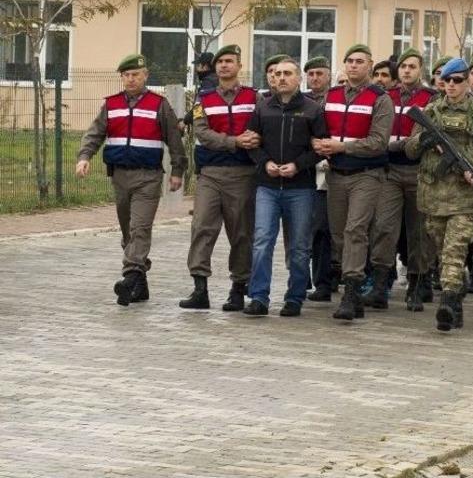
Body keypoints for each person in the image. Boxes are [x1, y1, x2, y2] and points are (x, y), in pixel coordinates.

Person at [76, 53, 187, 306]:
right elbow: (95, 133)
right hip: (120, 176)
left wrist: (178, 171)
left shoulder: (159, 104)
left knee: (140, 228)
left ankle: (128, 277)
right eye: (126, 75)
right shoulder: (111, 105)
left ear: (145, 75)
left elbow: (174, 140)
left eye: (135, 74)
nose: (131, 79)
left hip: (148, 176)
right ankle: (140, 283)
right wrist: (84, 157)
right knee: (128, 232)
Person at [405, 58, 473, 332]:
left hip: (465, 196)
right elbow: (410, 150)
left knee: (454, 249)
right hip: (434, 195)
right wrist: (424, 141)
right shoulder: (431, 111)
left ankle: (448, 303)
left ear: (466, 82)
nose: (451, 85)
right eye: (446, 81)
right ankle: (456, 292)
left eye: (457, 80)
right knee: (441, 249)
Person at [312, 44, 393, 321]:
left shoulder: (380, 99)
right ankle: (355, 291)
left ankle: (350, 291)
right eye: (350, 61)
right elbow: (318, 129)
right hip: (336, 175)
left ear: (370, 66)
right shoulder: (331, 96)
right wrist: (318, 143)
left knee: (355, 230)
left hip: (367, 175)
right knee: (338, 235)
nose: (354, 65)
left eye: (360, 61)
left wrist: (341, 147)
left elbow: (379, 143)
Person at [243, 58, 327, 317]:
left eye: (287, 73)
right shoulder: (262, 108)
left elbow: (320, 148)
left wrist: (298, 165)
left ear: (298, 79)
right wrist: (264, 162)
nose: (281, 78)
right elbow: (251, 143)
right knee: (261, 243)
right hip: (267, 187)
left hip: (300, 188)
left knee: (300, 246)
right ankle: (258, 297)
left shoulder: (313, 110)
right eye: (277, 73)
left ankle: (295, 298)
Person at [180, 44, 260, 311]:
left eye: (229, 61)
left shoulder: (254, 97)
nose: (224, 65)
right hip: (210, 174)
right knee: (202, 227)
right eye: (220, 62)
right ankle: (199, 288)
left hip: (243, 174)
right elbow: (203, 133)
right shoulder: (204, 100)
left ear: (239, 66)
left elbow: (261, 127)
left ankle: (239, 288)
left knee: (241, 233)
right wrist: (235, 141)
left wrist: (252, 140)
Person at [370, 48, 437, 312]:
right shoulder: (388, 96)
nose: (407, 71)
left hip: (419, 171)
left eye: (412, 66)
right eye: (404, 67)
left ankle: (418, 282)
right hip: (390, 172)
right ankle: (380, 282)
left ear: (421, 69)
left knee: (419, 232)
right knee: (384, 227)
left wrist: (389, 145)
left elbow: (420, 139)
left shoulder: (430, 98)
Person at [302, 56, 337, 301]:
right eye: (311, 73)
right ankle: (305, 278)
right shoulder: (300, 101)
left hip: (328, 170)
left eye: (319, 73)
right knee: (306, 230)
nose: (315, 78)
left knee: (324, 229)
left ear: (329, 75)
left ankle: (325, 282)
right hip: (304, 170)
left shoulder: (335, 100)